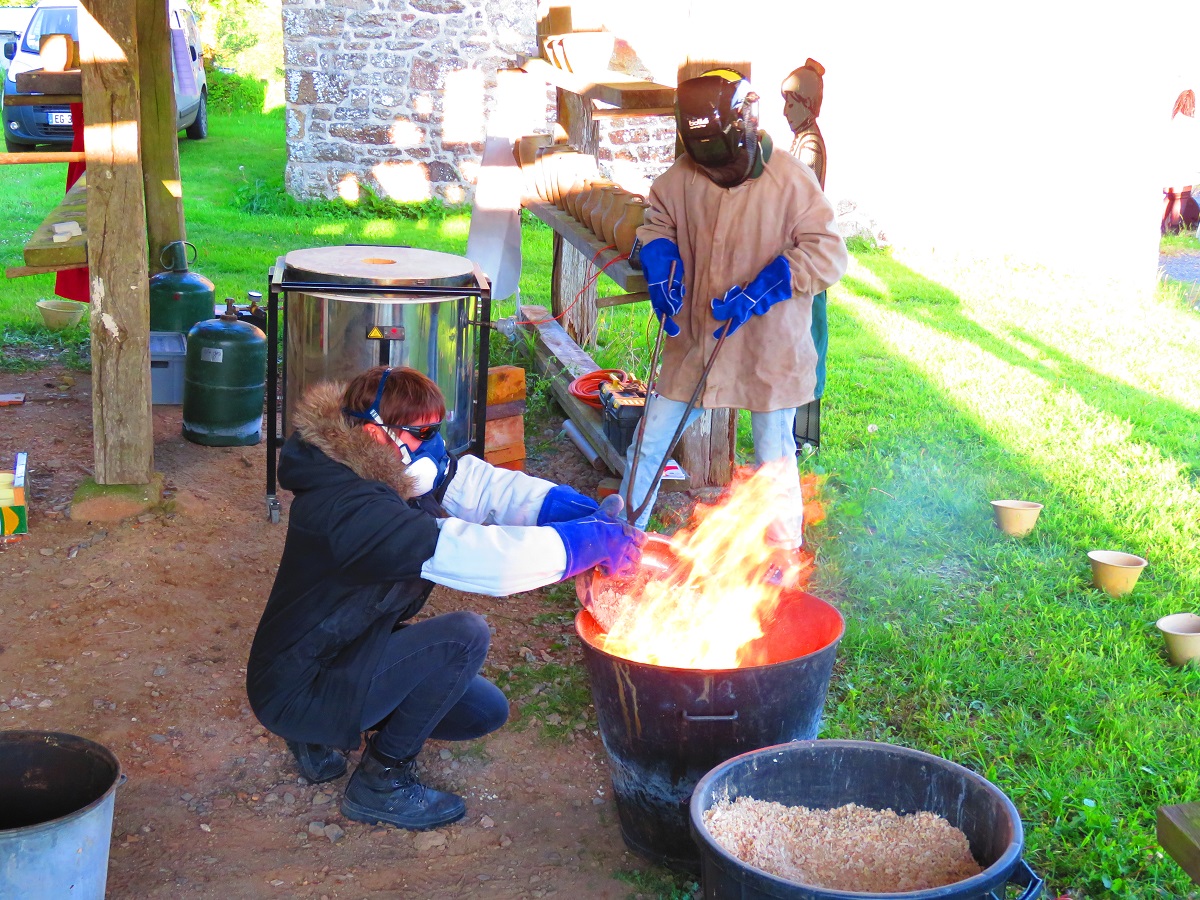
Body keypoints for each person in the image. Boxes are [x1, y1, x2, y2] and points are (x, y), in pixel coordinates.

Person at [247, 365, 644, 831]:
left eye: (438, 428)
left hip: (337, 647)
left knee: (482, 712)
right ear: (377, 433)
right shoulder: (352, 510)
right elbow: (475, 557)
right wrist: (579, 546)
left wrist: (562, 507)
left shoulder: (371, 462)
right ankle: (380, 782)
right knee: (463, 637)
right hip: (296, 684)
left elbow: (477, 486)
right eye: (424, 431)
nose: (434, 443)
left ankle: (320, 731)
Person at [619, 68, 848, 559]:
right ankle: (621, 537)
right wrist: (659, 259)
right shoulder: (681, 178)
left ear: (747, 127)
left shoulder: (792, 180)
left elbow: (828, 254)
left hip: (770, 343)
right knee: (651, 438)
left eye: (727, 163)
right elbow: (656, 223)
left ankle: (783, 558)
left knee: (773, 455)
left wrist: (771, 284)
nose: (717, 174)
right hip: (696, 335)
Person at [781, 58, 830, 450]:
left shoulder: (809, 146)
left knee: (809, 347)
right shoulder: (801, 140)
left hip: (808, 256)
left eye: (791, 103)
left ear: (807, 104)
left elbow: (799, 199)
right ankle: (794, 434)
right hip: (799, 251)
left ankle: (805, 438)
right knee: (797, 345)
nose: (785, 111)